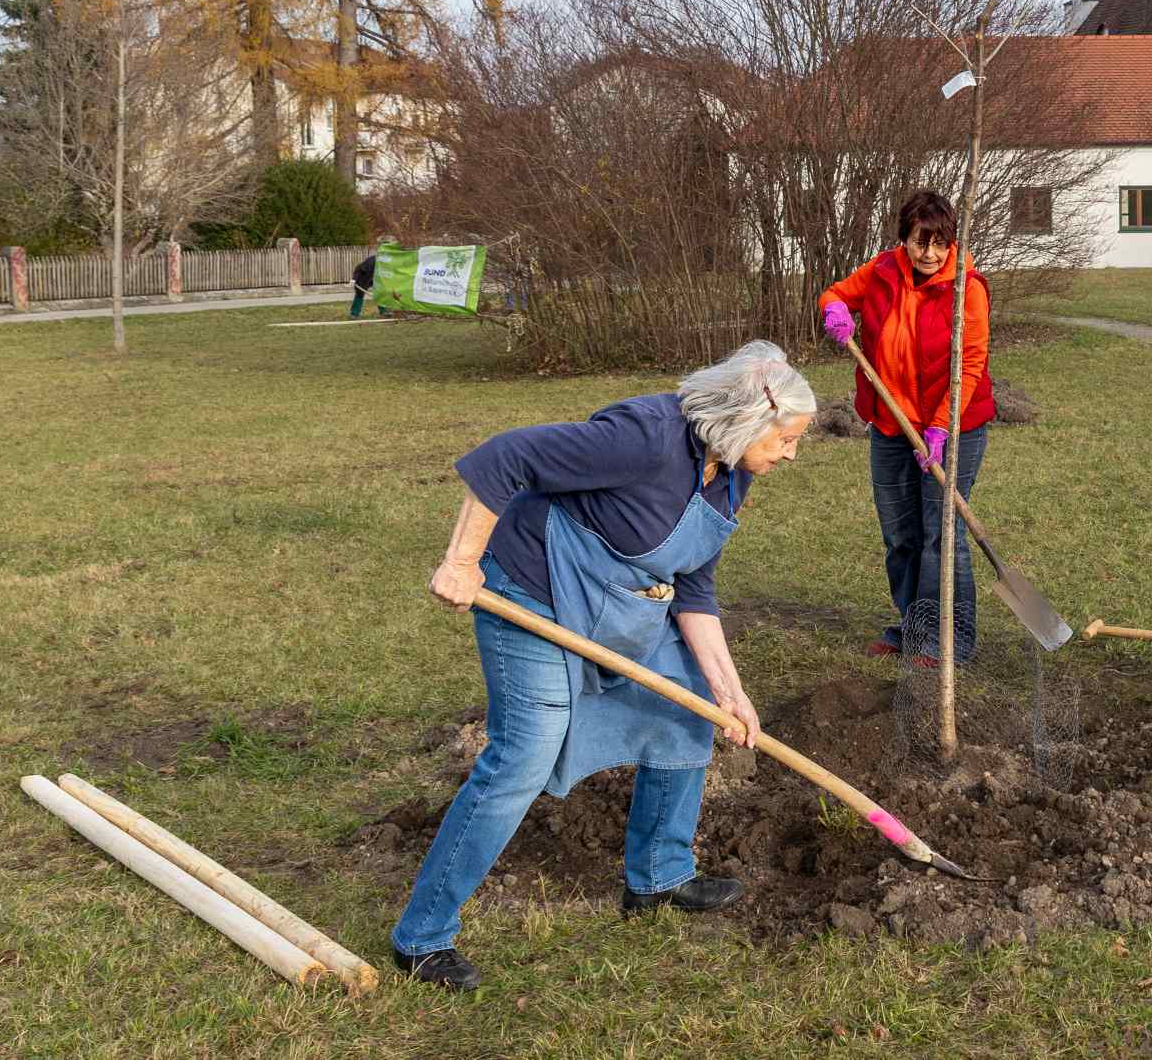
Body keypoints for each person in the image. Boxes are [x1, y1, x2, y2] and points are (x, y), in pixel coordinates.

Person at [391, 341, 817, 990]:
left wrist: (730, 691)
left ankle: (658, 878)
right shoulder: (643, 439)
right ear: (743, 420)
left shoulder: (734, 473)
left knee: (685, 714)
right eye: (786, 439)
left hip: (617, 604)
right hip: (533, 591)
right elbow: (508, 457)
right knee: (523, 757)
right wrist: (461, 560)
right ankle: (422, 937)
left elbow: (693, 583)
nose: (791, 454)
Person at [819, 190, 995, 664]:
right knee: (901, 535)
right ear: (904, 238)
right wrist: (835, 310)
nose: (930, 254)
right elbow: (836, 292)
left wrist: (941, 428)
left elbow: (970, 362)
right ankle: (914, 626)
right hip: (891, 424)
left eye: (939, 243)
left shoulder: (967, 288)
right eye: (921, 241)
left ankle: (950, 639)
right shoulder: (881, 272)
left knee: (942, 535)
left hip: (953, 425)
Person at [348, 252, 377, 319]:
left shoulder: (386, 262)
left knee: (380, 293)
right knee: (359, 295)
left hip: (375, 278)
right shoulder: (372, 261)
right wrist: (354, 279)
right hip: (362, 279)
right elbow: (358, 268)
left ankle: (385, 311)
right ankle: (354, 314)